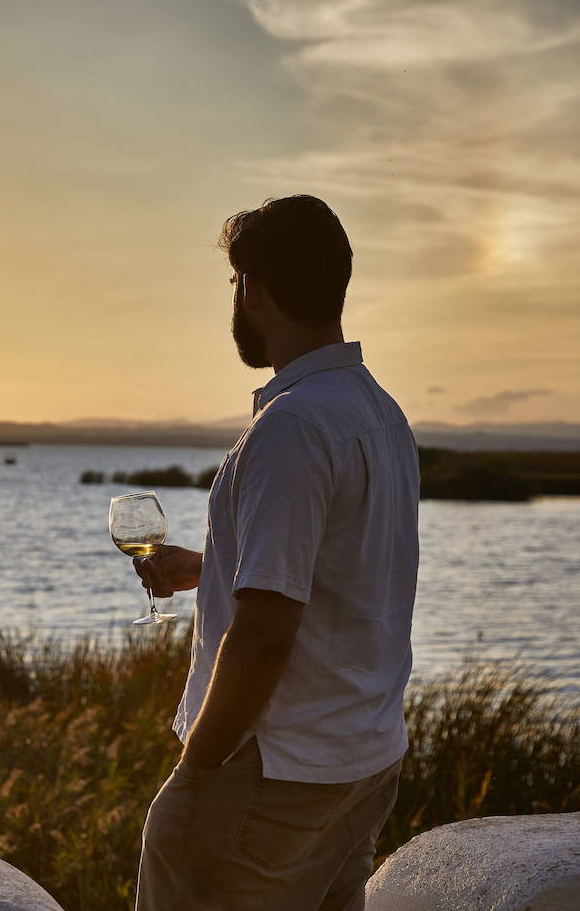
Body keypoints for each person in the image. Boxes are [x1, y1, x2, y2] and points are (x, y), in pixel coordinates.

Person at [133, 196, 419, 910]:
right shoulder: (379, 413)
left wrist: (197, 774)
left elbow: (263, 638)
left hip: (271, 776)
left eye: (234, 284)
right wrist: (206, 569)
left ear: (252, 289)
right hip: (361, 764)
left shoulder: (293, 426)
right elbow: (344, 573)